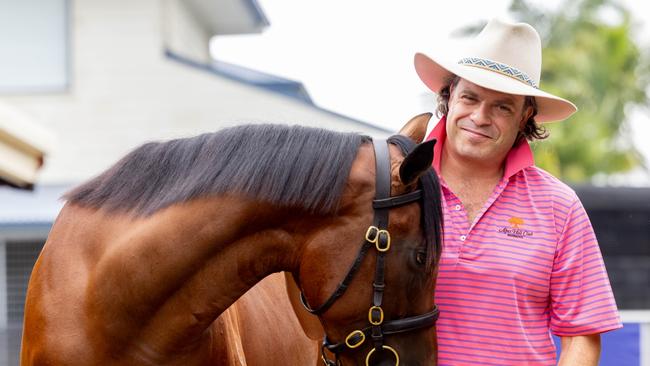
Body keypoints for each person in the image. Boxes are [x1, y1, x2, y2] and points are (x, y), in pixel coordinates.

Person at [414, 18, 621, 365]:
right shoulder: (396, 185)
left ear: (526, 116)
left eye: (502, 106)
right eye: (470, 97)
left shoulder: (559, 206)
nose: (480, 117)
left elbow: (582, 337)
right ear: (449, 96)